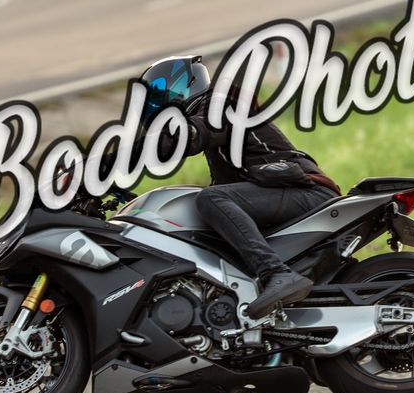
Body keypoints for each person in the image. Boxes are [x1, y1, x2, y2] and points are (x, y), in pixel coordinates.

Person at [140, 56, 340, 319]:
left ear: (180, 87)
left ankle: (276, 273)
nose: (153, 106)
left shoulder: (222, 104)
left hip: (307, 192)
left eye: (156, 95)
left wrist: (118, 158)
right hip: (285, 194)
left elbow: (193, 135)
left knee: (211, 199)